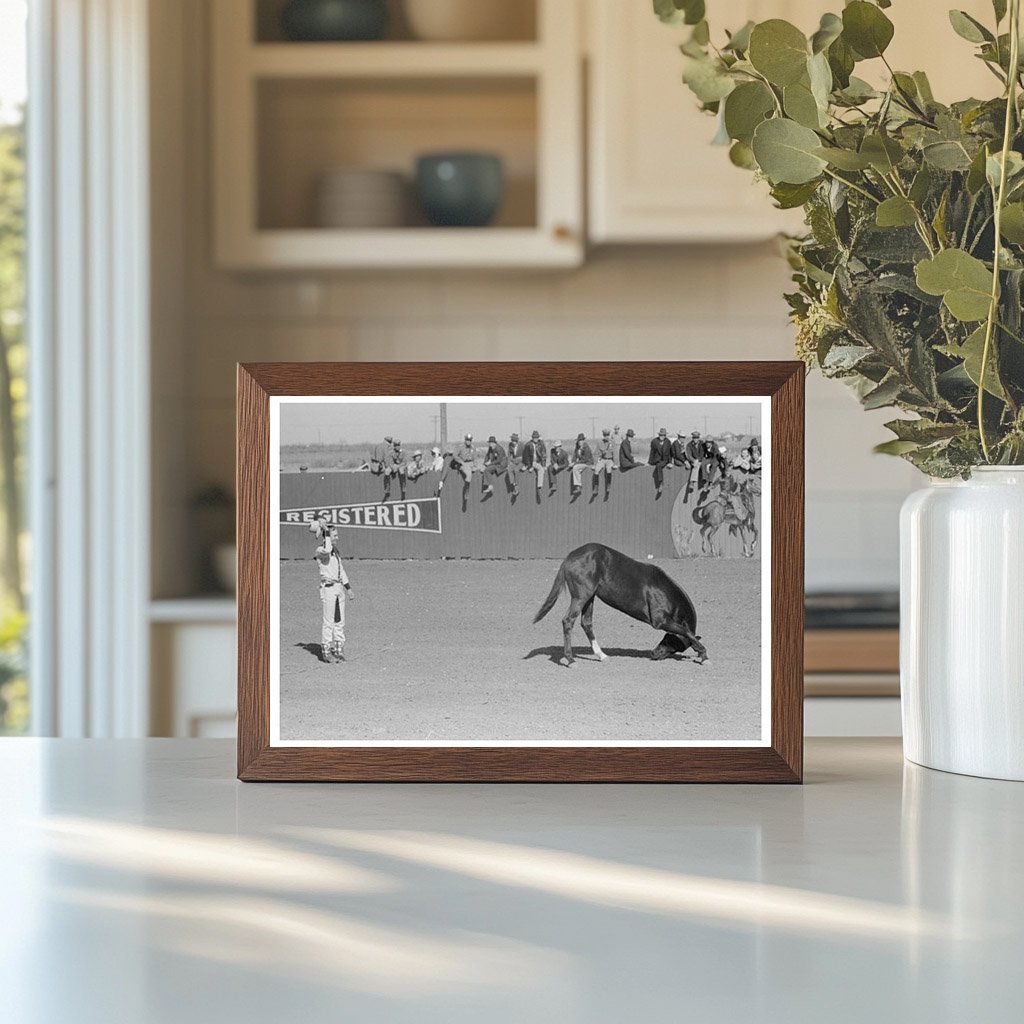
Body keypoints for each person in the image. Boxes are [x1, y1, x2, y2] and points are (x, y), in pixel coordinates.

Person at [309, 517, 356, 664]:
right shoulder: (321, 550)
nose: (338, 537)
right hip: (328, 588)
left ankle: (338, 649)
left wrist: (348, 588)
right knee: (328, 621)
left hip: (338, 588)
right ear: (328, 536)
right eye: (335, 535)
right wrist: (325, 531)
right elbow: (327, 549)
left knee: (339, 620)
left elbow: (341, 570)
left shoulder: (336, 551)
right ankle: (326, 651)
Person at [648, 427, 672, 497]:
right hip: (656, 459)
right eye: (661, 435)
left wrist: (670, 462)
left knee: (659, 466)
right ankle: (660, 483)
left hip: (665, 460)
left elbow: (670, 453)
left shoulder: (668, 442)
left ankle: (661, 483)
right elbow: (652, 452)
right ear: (659, 435)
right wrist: (649, 462)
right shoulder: (654, 441)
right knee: (657, 465)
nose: (662, 436)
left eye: (664, 435)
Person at [594, 428, 615, 498]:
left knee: (608, 469)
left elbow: (615, 453)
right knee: (596, 470)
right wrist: (595, 463)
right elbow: (596, 453)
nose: (606, 437)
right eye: (605, 435)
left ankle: (608, 486)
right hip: (602, 459)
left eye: (607, 435)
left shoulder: (612, 442)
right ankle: (596, 487)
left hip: (609, 459)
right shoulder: (600, 442)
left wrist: (616, 463)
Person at [506, 432, 522, 496]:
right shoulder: (510, 445)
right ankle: (513, 484)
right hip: (514, 460)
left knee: (516, 470)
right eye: (512, 440)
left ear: (517, 441)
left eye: (514, 441)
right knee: (509, 469)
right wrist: (508, 463)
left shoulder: (521, 445)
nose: (513, 442)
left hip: (521, 461)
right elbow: (509, 455)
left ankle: (516, 486)